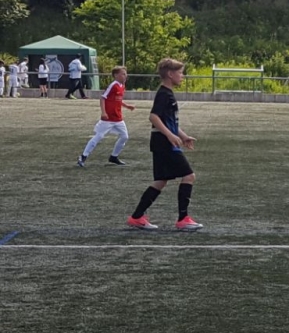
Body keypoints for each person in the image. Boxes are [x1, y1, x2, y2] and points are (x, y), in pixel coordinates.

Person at [127, 58, 203, 232]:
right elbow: (153, 117)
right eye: (180, 72)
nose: (182, 76)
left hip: (161, 142)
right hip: (164, 143)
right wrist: (170, 136)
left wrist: (183, 136)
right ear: (170, 74)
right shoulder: (164, 94)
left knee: (161, 181)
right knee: (189, 176)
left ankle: (136, 217)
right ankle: (183, 219)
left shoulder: (167, 93)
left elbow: (170, 122)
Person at [77, 66, 135, 167]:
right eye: (123, 74)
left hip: (118, 118)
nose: (125, 76)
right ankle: (83, 156)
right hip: (108, 119)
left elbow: (117, 100)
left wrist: (127, 106)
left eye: (125, 74)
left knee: (125, 136)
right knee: (98, 136)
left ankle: (114, 157)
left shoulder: (122, 86)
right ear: (116, 75)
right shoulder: (113, 85)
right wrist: (103, 112)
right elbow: (103, 98)